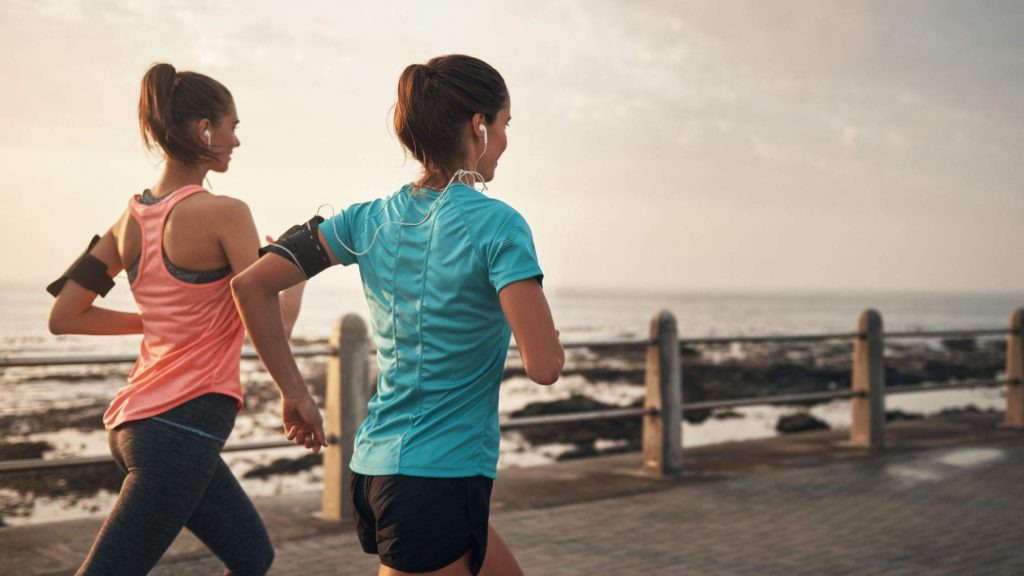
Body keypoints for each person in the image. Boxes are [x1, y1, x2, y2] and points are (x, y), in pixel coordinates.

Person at [232, 54, 563, 575]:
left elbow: (251, 285)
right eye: (504, 125)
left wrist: (294, 393)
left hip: (377, 467)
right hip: (437, 479)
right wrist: (544, 332)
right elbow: (544, 366)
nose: (504, 140)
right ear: (480, 125)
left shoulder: (365, 220)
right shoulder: (501, 226)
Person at [47, 62, 318, 576]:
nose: (236, 140)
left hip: (134, 426)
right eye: (232, 126)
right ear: (204, 129)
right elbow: (274, 323)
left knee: (252, 556)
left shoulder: (127, 220)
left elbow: (65, 315)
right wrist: (294, 268)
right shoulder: (226, 213)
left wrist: (151, 322)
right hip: (180, 428)